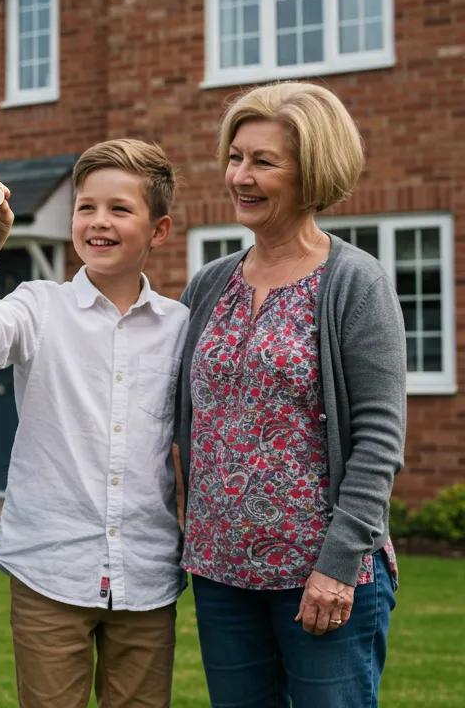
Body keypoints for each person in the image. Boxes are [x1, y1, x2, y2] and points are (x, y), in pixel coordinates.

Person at [177, 81, 406, 708]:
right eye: (235, 157)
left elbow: (380, 438)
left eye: (263, 162)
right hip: (221, 574)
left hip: (323, 577)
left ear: (311, 173)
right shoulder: (209, 284)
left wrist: (336, 565)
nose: (240, 176)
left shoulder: (354, 282)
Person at [0, 139, 188, 708]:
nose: (98, 222)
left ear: (159, 231)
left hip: (147, 573)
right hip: (50, 566)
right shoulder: (39, 305)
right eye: (86, 207)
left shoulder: (180, 327)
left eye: (119, 209)